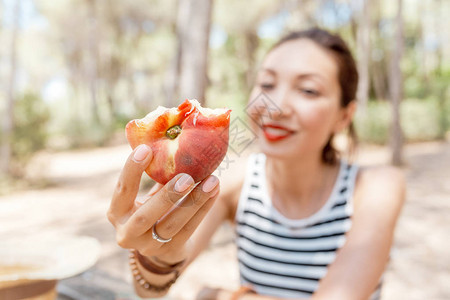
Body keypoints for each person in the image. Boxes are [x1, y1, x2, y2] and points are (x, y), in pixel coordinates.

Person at [107, 28, 405, 300]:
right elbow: (149, 290)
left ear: (344, 117)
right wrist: (157, 257)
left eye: (308, 90)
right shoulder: (234, 182)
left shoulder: (377, 187)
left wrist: (225, 297)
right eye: (267, 83)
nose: (276, 106)